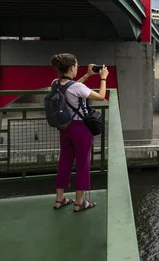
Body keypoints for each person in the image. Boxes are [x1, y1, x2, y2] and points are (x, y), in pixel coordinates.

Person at [51, 53, 108, 212]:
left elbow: (71, 87)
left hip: (65, 127)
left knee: (64, 162)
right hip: (80, 128)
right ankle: (80, 202)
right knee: (83, 163)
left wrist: (88, 75)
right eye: (76, 66)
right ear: (71, 68)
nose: (77, 68)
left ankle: (59, 199)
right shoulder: (77, 87)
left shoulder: (56, 83)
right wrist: (102, 78)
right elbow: (101, 97)